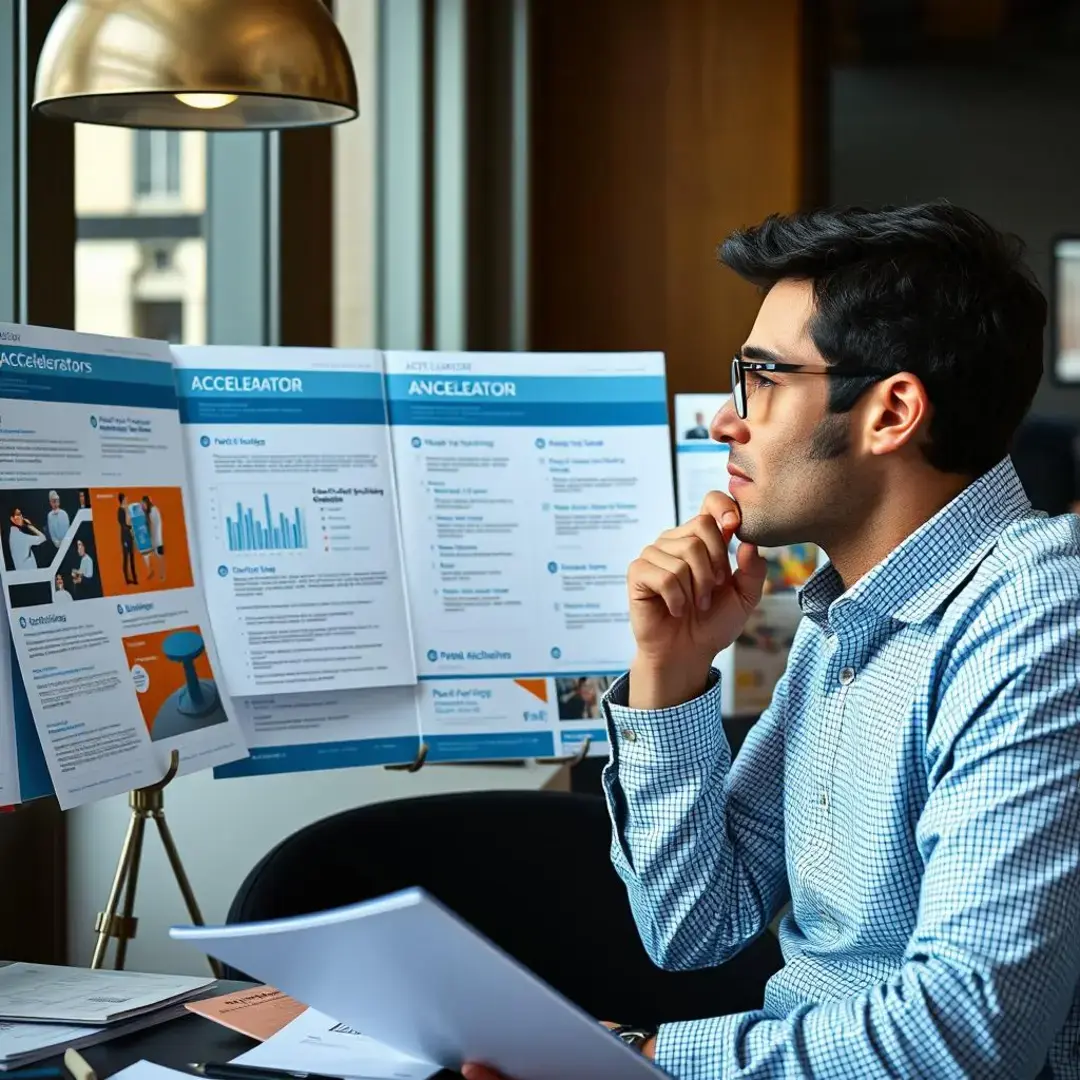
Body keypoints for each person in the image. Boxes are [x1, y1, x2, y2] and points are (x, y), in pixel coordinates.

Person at [463, 203, 1080, 1080]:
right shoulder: (847, 616)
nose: (725, 418)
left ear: (891, 411)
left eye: (761, 376)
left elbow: (965, 1034)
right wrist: (670, 676)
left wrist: (636, 1063)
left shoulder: (1040, 620)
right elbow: (693, 929)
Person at [141, 494, 165, 581]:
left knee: (159, 556)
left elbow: (153, 525)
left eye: (143, 504)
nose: (143, 506)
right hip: (154, 539)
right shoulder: (150, 511)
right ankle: (153, 571)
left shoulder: (153, 511)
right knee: (149, 555)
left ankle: (162, 574)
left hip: (157, 539)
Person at [117, 493, 138, 585]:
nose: (127, 500)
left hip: (129, 535)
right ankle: (127, 579)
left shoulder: (127, 509)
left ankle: (134, 578)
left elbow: (131, 522)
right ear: (122, 500)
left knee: (132, 557)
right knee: (126, 557)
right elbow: (125, 524)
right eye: (125, 498)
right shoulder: (120, 511)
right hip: (125, 536)